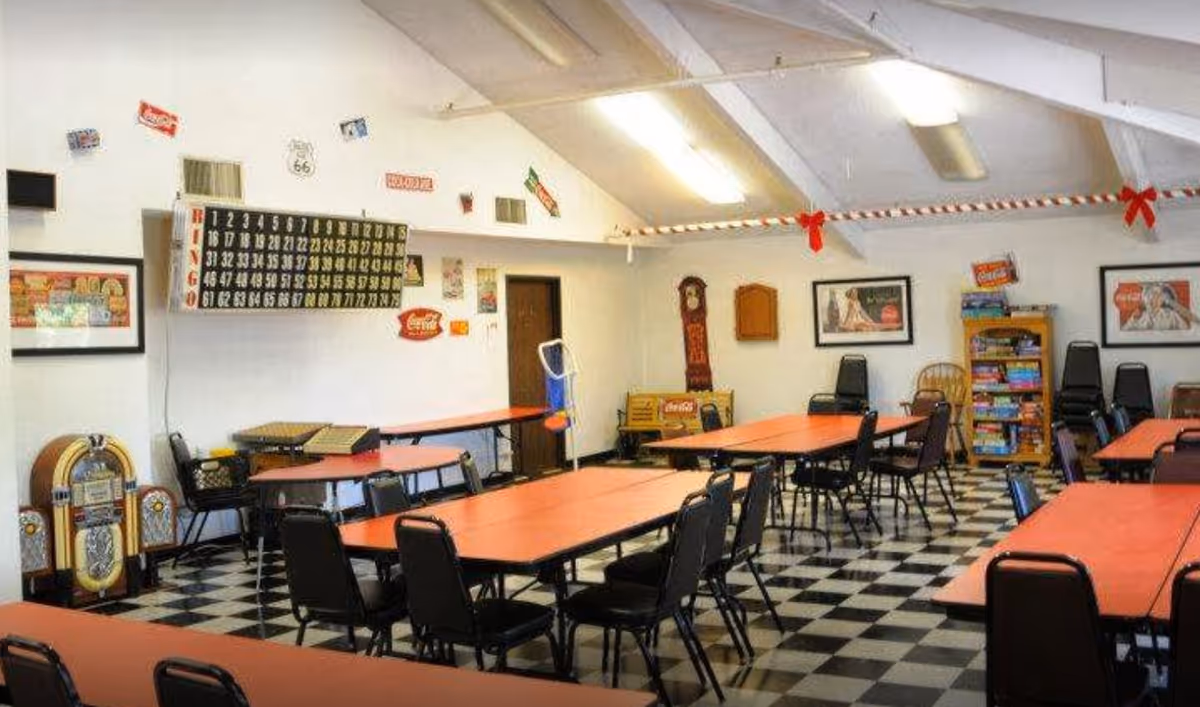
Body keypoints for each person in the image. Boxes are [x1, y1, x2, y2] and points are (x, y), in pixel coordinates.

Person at [1125, 283, 1196, 331]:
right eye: (1149, 296)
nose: (1153, 299)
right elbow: (1124, 333)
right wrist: (1133, 320)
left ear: (1162, 299)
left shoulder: (1171, 315)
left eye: (1157, 296)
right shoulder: (1137, 317)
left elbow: (1187, 332)